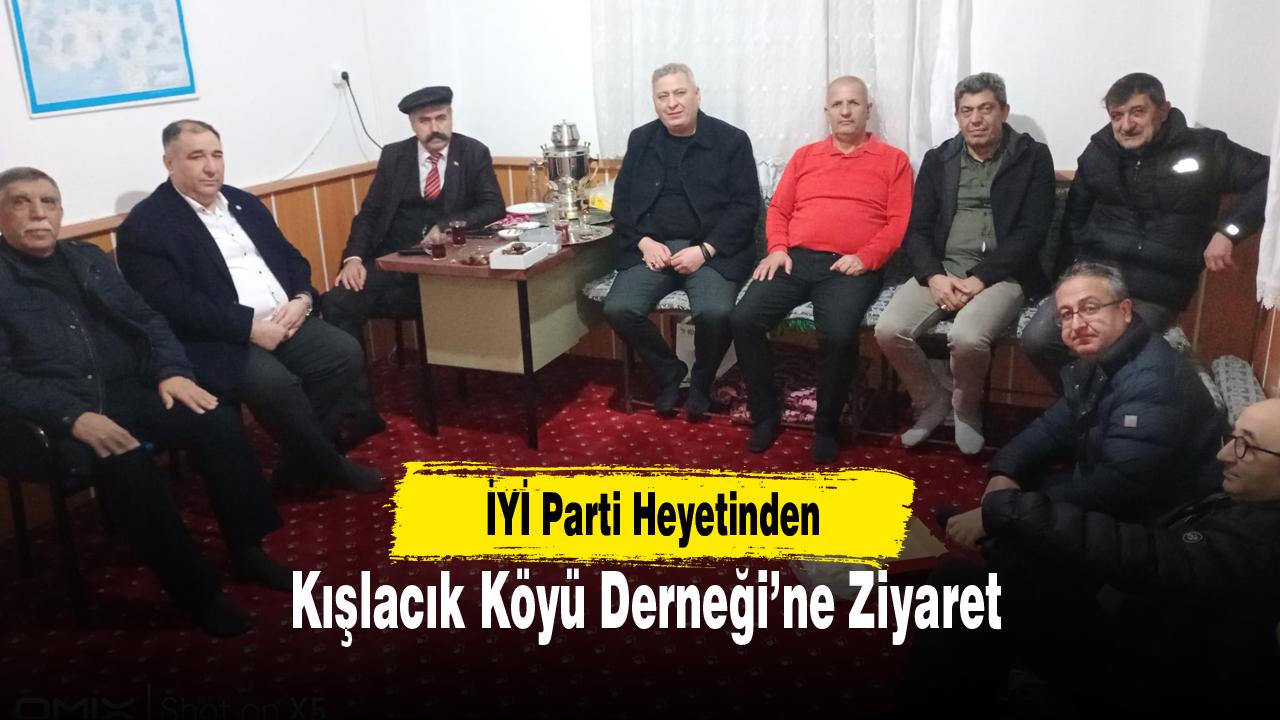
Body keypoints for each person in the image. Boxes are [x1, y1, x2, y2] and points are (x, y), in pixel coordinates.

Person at [0, 167, 290, 637]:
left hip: (130, 390)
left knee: (214, 415)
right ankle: (198, 593)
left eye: (48, 202)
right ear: (2, 214)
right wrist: (73, 416)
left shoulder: (86, 258)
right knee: (128, 459)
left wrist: (172, 371)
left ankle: (248, 550)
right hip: (54, 417)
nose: (38, 213)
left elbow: (149, 319)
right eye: (21, 202)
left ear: (60, 212)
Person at [905, 398, 1280, 712]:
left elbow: (1154, 557)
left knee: (958, 586)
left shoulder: (1264, 544)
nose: (1224, 454)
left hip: (1142, 670)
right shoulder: (1247, 501)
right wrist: (1010, 484)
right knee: (1011, 565)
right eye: (1232, 437)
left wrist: (1016, 510)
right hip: (1139, 620)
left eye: (1246, 446)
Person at [116, 120, 383, 494]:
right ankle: (333, 467)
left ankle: (300, 466)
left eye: (217, 155)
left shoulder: (243, 203)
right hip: (216, 339)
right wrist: (249, 329)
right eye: (196, 157)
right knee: (276, 385)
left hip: (285, 319)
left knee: (343, 353)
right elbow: (174, 303)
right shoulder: (146, 225)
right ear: (169, 163)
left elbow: (291, 258)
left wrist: (302, 299)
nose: (211, 167)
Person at [1022, 72, 1269, 387]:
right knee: (1038, 340)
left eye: (1137, 112)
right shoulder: (1099, 152)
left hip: (1155, 288)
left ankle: (1096, 410)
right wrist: (1063, 283)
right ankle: (1086, 408)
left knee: (1113, 353)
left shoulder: (1204, 148)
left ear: (1163, 110)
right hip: (1096, 278)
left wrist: (1228, 231)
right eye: (1117, 116)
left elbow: (1271, 178)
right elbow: (1073, 221)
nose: (1126, 125)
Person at [948, 262, 1222, 543]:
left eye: (1090, 308)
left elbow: (1117, 488)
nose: (1077, 324)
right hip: (1124, 488)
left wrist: (1008, 512)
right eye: (1066, 314)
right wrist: (1005, 471)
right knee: (1028, 479)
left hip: (1165, 523)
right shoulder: (1106, 357)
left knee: (1022, 524)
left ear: (1125, 310)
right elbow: (1051, 427)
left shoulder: (1151, 382)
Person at [730, 76, 912, 464]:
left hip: (851, 264)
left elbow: (898, 223)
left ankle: (827, 426)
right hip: (794, 259)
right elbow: (779, 210)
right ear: (827, 111)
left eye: (854, 103)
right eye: (837, 104)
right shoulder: (805, 156)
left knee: (839, 334)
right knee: (744, 319)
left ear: (868, 110)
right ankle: (765, 415)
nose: (845, 111)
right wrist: (777, 249)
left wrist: (866, 257)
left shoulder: (893, 160)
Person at [875, 72, 1054, 454]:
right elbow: (917, 230)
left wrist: (980, 278)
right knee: (889, 330)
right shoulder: (939, 159)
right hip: (944, 267)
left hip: (1003, 274)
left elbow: (1032, 231)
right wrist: (934, 276)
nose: (976, 119)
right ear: (957, 116)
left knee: (968, 338)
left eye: (985, 109)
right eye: (967, 111)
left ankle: (965, 408)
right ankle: (931, 400)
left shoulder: (1032, 157)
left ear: (1003, 111)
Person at [603, 63, 760, 421]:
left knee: (716, 313)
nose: (672, 103)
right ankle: (669, 372)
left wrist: (705, 250)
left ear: (696, 95)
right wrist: (643, 241)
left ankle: (701, 381)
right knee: (618, 308)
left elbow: (745, 206)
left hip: (710, 250)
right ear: (654, 102)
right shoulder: (641, 139)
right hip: (653, 249)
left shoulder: (731, 140)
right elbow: (621, 204)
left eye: (679, 93)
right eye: (663, 96)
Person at [321, 85, 505, 340]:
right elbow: (370, 213)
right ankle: (355, 367)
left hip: (446, 265)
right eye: (424, 121)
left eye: (441, 118)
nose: (435, 128)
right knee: (336, 301)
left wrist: (446, 225)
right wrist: (353, 258)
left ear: (451, 116)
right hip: (394, 260)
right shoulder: (394, 156)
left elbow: (493, 206)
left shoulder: (472, 152)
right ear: (412, 124)